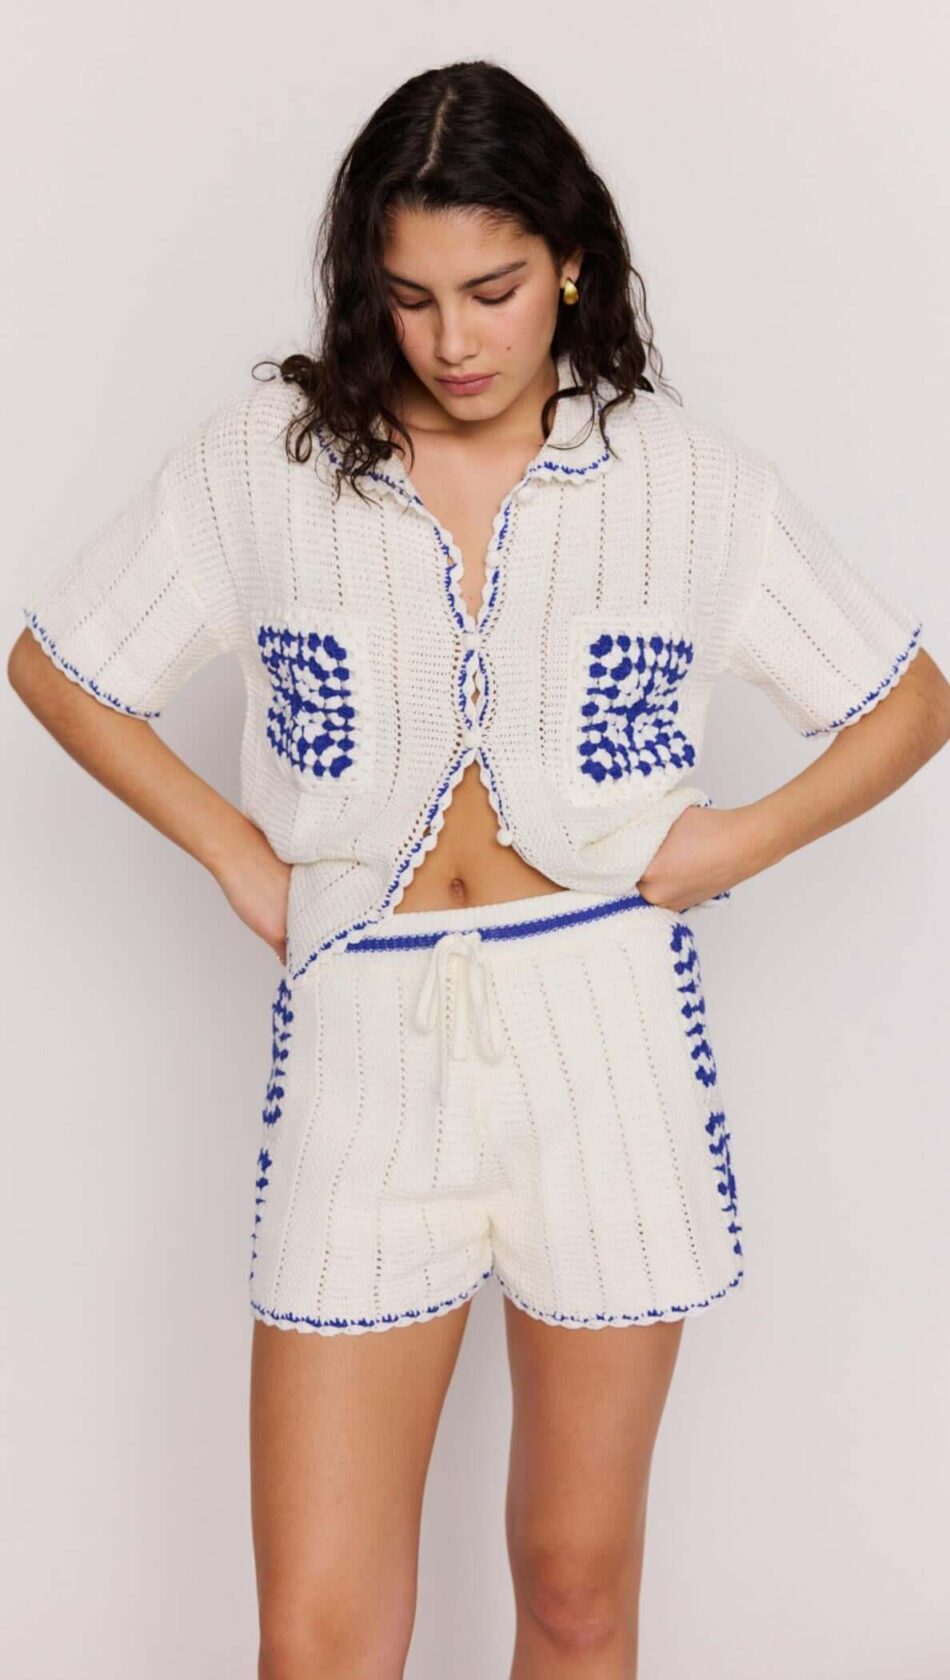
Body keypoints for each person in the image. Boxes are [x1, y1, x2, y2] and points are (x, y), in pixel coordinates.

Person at [10, 56, 950, 1680]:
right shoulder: (267, 465)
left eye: (492, 291)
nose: (452, 341)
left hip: (604, 1032)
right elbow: (64, 664)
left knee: (574, 1592)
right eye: (411, 297)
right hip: (365, 1037)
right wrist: (240, 858)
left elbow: (905, 701)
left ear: (569, 263)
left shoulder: (679, 483)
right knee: (317, 1640)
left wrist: (727, 843)